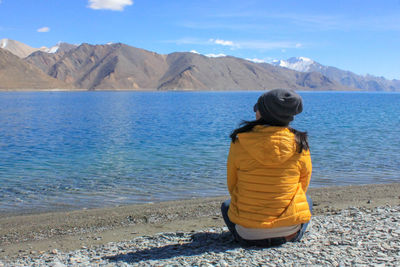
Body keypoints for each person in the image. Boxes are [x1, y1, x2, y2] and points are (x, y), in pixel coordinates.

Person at [221, 88, 313, 247]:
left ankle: (250, 231)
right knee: (307, 200)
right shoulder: (300, 143)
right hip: (288, 233)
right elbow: (303, 184)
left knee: (226, 205)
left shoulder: (240, 140)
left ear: (263, 113)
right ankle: (287, 231)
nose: (255, 111)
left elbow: (232, 184)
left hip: (247, 235)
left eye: (257, 107)